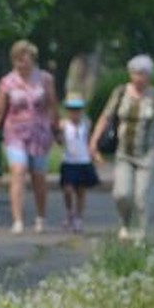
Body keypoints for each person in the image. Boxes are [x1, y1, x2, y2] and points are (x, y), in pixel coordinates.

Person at [89, 54, 154, 243]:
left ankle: (140, 231)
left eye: (142, 74)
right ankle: (126, 223)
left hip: (147, 153)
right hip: (124, 153)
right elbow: (106, 117)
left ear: (149, 76)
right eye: (135, 73)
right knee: (121, 194)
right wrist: (93, 142)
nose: (138, 78)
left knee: (142, 196)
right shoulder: (120, 92)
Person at [0, 39, 60, 234]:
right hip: (15, 132)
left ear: (32, 59)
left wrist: (56, 129)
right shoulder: (8, 82)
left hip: (39, 133)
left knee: (38, 176)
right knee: (18, 171)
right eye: (16, 60)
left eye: (24, 59)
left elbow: (52, 105)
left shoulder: (44, 79)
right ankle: (18, 219)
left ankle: (40, 217)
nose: (20, 64)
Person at [57, 95, 99, 233]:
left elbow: (89, 141)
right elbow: (60, 141)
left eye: (77, 110)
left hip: (83, 160)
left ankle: (78, 217)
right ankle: (69, 211)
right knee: (68, 190)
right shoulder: (64, 125)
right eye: (72, 110)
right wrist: (58, 132)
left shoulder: (86, 124)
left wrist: (94, 155)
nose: (75, 113)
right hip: (69, 161)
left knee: (81, 191)